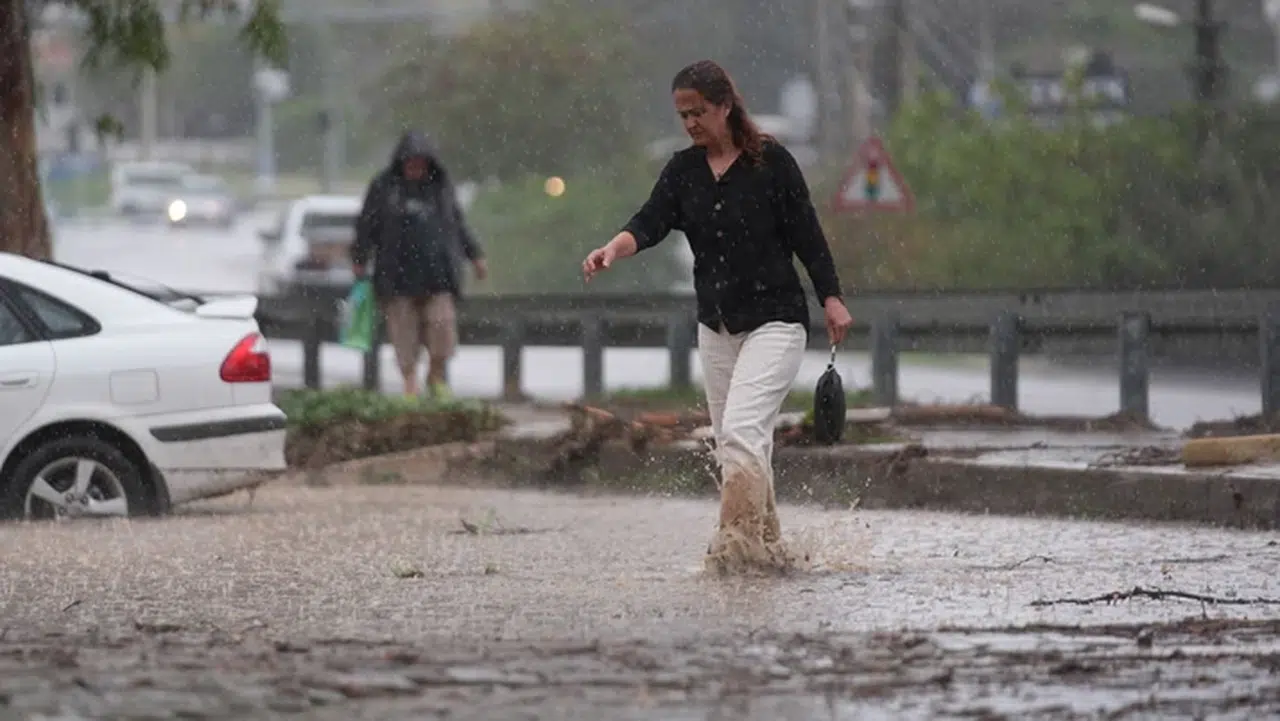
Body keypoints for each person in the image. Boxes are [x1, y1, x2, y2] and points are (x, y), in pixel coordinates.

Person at [581, 60, 853, 574]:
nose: (690, 124)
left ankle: (731, 549)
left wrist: (831, 297)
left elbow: (807, 234)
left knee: (742, 432)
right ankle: (768, 548)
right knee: (738, 444)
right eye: (682, 115)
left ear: (725, 105)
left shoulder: (771, 162)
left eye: (698, 112)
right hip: (717, 327)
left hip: (776, 320)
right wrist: (613, 249)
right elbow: (649, 221)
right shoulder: (684, 172)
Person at [351, 130, 487, 399]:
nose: (415, 167)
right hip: (396, 278)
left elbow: (457, 224)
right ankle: (410, 384)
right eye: (410, 162)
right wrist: (359, 257)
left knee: (442, 327)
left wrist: (475, 255)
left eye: (420, 162)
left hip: (438, 276)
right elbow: (366, 225)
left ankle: (435, 377)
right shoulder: (383, 187)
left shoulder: (440, 187)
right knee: (404, 336)